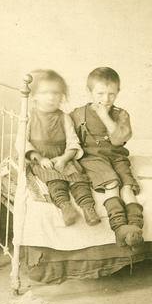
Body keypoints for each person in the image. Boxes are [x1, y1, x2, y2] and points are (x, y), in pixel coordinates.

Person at [70, 67, 144, 249]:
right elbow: (69, 139)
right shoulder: (79, 113)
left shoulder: (121, 115)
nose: (106, 99)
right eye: (100, 93)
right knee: (112, 183)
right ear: (90, 92)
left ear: (118, 92)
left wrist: (105, 117)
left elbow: (119, 140)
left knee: (127, 187)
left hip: (117, 156)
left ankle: (135, 228)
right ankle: (119, 228)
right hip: (92, 157)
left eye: (111, 94)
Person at [24, 69, 101, 226]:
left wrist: (65, 158)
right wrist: (39, 158)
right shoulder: (30, 117)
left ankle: (88, 208)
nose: (51, 97)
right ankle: (65, 207)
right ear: (34, 96)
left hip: (63, 158)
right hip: (42, 160)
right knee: (55, 183)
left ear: (62, 96)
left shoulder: (64, 117)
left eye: (56, 93)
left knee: (79, 181)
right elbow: (23, 142)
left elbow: (73, 142)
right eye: (45, 93)